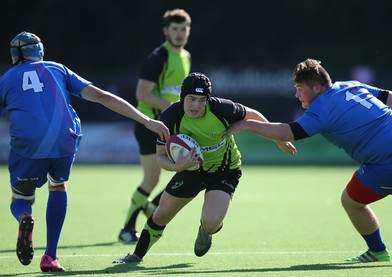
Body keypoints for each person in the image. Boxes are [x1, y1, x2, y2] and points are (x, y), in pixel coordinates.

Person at [0, 31, 169, 272]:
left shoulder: (6, 78)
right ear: (39, 51)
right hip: (65, 140)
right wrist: (146, 120)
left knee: (21, 199)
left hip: (28, 144)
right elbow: (101, 96)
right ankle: (50, 256)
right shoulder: (58, 69)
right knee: (57, 185)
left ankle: (24, 218)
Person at [225, 58, 392, 263]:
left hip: (389, 163)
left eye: (300, 88)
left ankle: (377, 251)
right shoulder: (350, 85)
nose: (296, 94)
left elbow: (286, 132)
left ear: (317, 88)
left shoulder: (322, 108)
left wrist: (247, 125)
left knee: (351, 201)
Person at [112, 72, 296, 263]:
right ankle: (136, 255)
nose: (196, 106)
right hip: (191, 170)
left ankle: (206, 231)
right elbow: (160, 157)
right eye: (191, 99)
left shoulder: (223, 108)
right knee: (161, 214)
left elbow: (253, 116)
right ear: (183, 98)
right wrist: (177, 166)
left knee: (210, 222)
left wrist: (277, 140)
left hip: (224, 170)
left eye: (202, 100)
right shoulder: (171, 117)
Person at [118, 8, 192, 243]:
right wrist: (173, 107)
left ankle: (152, 205)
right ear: (165, 31)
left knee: (188, 166)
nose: (179, 34)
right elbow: (143, 94)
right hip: (149, 123)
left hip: (170, 125)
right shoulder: (157, 58)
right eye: (175, 29)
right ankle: (127, 229)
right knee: (152, 177)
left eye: (183, 29)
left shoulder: (186, 57)